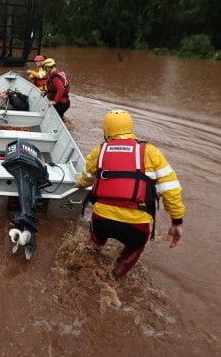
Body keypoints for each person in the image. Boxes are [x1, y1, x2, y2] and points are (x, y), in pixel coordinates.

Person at [75, 109, 184, 279]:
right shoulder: (151, 152)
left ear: (106, 130)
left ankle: (86, 266)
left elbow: (86, 179)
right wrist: (177, 221)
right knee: (135, 247)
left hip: (102, 219)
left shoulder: (100, 151)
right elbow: (171, 189)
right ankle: (115, 277)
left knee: (95, 242)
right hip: (136, 225)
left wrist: (78, 183)